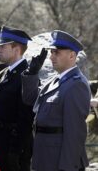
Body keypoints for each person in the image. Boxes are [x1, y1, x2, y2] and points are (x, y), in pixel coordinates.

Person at [22, 30, 90, 171]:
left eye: (56, 52)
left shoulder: (76, 84)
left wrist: (67, 167)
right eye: (51, 52)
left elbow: (75, 133)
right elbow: (30, 99)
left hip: (58, 161)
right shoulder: (55, 80)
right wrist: (31, 74)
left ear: (72, 55)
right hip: (44, 157)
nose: (52, 57)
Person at [0, 26, 34, 171]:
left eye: (3, 46)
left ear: (16, 49)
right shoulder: (3, 73)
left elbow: (26, 117)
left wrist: (15, 151)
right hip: (0, 141)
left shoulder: (27, 76)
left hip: (14, 146)